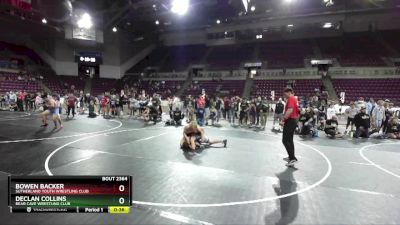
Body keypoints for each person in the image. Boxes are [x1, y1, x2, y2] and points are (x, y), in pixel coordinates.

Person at [280, 88, 300, 167]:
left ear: (289, 92)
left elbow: (290, 110)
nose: (284, 96)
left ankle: (292, 158)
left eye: (285, 94)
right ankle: (291, 156)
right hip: (293, 120)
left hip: (290, 121)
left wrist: (283, 120)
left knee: (285, 140)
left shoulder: (291, 98)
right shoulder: (294, 99)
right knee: (289, 140)